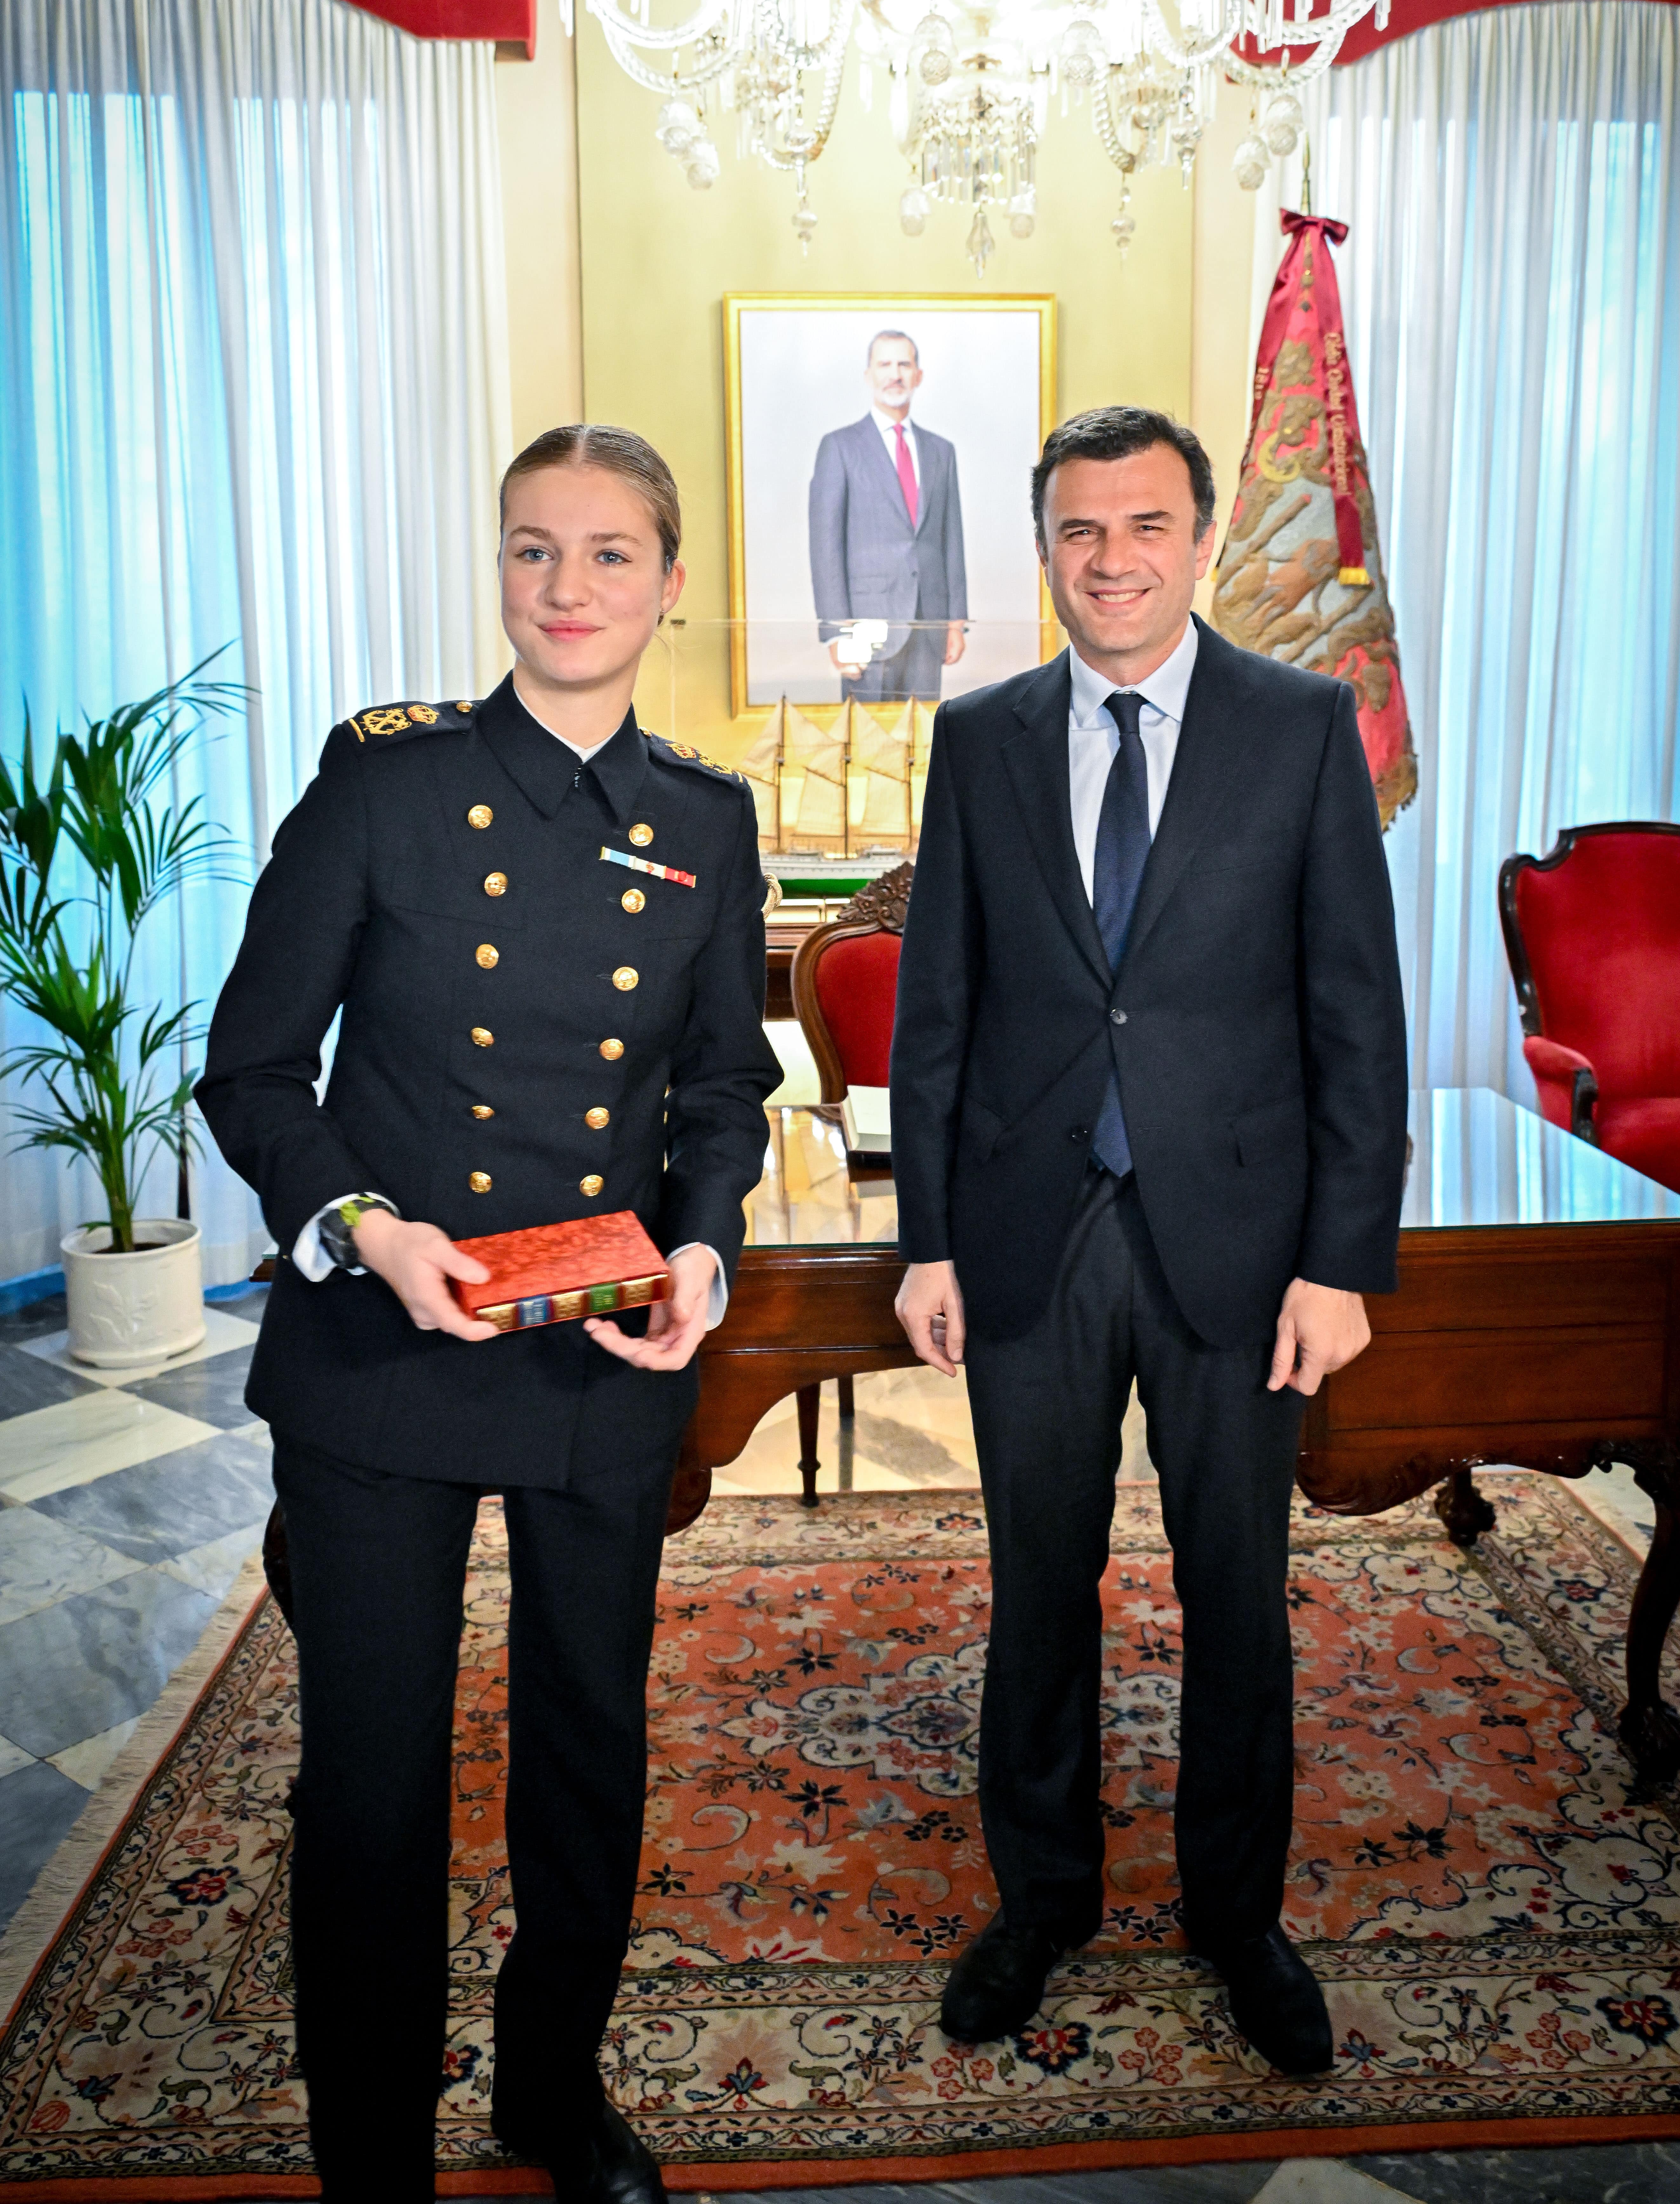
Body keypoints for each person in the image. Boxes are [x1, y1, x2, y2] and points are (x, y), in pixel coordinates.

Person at [197, 424, 780, 2204]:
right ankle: (370, 2155)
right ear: (500, 568)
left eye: (609, 553)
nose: (567, 585)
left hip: (597, 1351)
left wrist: (702, 1253)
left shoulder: (704, 817)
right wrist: (365, 1230)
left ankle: (550, 2090)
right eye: (535, 547)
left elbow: (721, 1087)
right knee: (371, 1775)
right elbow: (251, 1068)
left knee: (587, 1745)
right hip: (382, 1347)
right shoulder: (384, 787)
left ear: (668, 585)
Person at [888, 405, 1407, 2077]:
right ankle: (1041, 1901)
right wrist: (925, 1241)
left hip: (1242, 1247)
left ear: (1200, 538)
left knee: (1235, 1593)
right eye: (1080, 530)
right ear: (1046, 547)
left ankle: (1238, 1918)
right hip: (1028, 1234)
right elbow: (936, 1009)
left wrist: (1342, 1261)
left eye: (1146, 525)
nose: (1112, 559)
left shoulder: (1303, 728)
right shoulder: (978, 738)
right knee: (1038, 1586)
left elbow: (1357, 1017)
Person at [807, 328, 968, 701]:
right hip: (865, 629)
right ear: (869, 375)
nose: (895, 374)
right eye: (884, 365)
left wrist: (956, 622)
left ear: (918, 375)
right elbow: (825, 546)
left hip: (929, 623)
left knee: (923, 732)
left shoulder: (941, 451)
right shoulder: (839, 447)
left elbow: (952, 540)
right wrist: (836, 632)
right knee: (867, 732)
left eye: (904, 365)